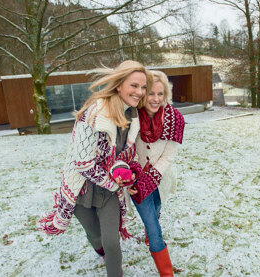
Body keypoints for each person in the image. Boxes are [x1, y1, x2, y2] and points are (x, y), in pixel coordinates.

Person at [38, 60, 153, 277]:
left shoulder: (133, 115)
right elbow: (82, 162)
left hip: (108, 192)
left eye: (143, 87)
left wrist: (127, 172)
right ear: (119, 85)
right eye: (134, 85)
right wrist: (113, 180)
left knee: (111, 242)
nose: (140, 92)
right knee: (96, 236)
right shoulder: (93, 113)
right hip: (81, 190)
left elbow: (126, 155)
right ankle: (99, 250)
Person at [131, 70, 185, 276]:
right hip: (136, 181)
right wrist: (137, 174)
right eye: (151, 94)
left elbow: (168, 156)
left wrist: (151, 178)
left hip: (159, 178)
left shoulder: (175, 120)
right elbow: (128, 149)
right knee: (154, 228)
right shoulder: (133, 117)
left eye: (160, 94)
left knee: (157, 207)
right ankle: (166, 273)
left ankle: (149, 227)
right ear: (144, 95)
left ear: (166, 95)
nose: (155, 99)